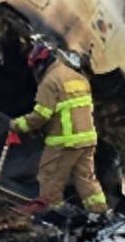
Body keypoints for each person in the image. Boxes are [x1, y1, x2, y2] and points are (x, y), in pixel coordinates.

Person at [10, 40, 108, 215]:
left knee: (49, 176)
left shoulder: (50, 82)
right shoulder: (78, 78)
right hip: (87, 138)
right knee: (86, 178)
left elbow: (41, 116)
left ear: (41, 64)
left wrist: (18, 125)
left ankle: (54, 214)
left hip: (66, 140)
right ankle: (100, 213)